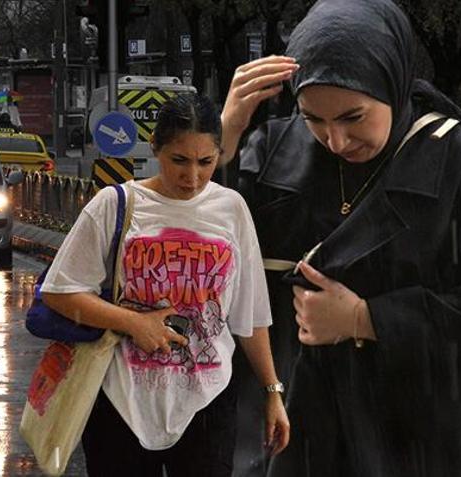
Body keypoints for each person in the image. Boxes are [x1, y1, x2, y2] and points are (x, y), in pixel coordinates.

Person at [220, 1, 461, 475]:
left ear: (393, 85)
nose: (335, 140)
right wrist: (224, 136)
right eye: (313, 118)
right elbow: (202, 255)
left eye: (353, 117)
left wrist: (367, 318)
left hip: (410, 431)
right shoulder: (272, 151)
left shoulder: (455, 160)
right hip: (289, 425)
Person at [40, 93, 290, 477]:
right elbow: (59, 292)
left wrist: (273, 392)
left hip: (207, 403)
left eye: (205, 162)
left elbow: (250, 315)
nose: (192, 177)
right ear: (155, 147)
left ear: (219, 154)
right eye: (179, 160)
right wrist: (135, 323)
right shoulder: (115, 204)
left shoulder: (232, 209)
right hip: (120, 401)